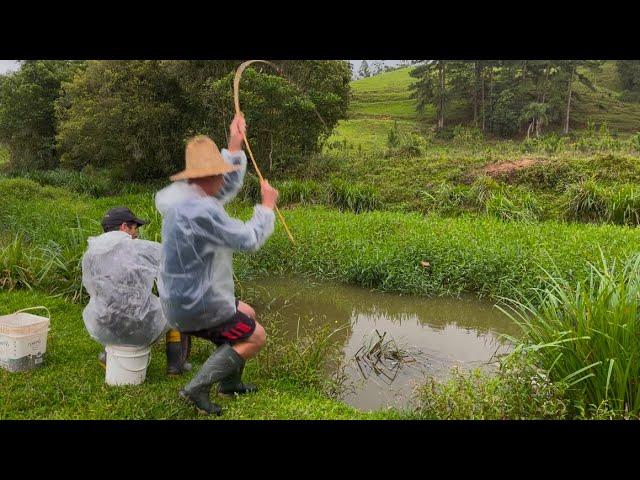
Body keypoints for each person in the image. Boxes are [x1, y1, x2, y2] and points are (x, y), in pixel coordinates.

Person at [155, 114, 279, 415]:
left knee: (246, 310)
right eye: (220, 172)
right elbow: (248, 240)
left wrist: (234, 145)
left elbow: (222, 190)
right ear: (207, 177)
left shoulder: (183, 197)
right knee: (256, 335)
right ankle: (196, 387)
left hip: (182, 296)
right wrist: (266, 207)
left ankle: (229, 383)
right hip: (196, 304)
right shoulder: (201, 212)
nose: (225, 177)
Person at [81, 207, 191, 375]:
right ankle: (175, 366)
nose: (137, 233)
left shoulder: (92, 253)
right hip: (138, 326)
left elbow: (93, 290)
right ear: (124, 227)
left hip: (102, 324)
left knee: (112, 307)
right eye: (135, 228)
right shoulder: (140, 249)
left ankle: (109, 353)